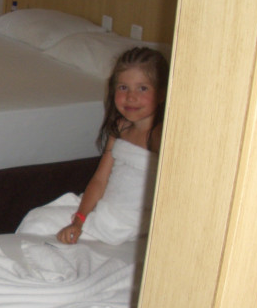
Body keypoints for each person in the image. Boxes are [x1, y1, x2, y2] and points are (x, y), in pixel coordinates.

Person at [17, 47, 169, 245]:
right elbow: (100, 180)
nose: (131, 97)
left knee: (41, 232)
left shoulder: (159, 137)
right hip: (103, 210)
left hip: (125, 224)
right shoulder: (120, 128)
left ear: (162, 94)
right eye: (123, 87)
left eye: (142, 88)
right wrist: (79, 220)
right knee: (36, 220)